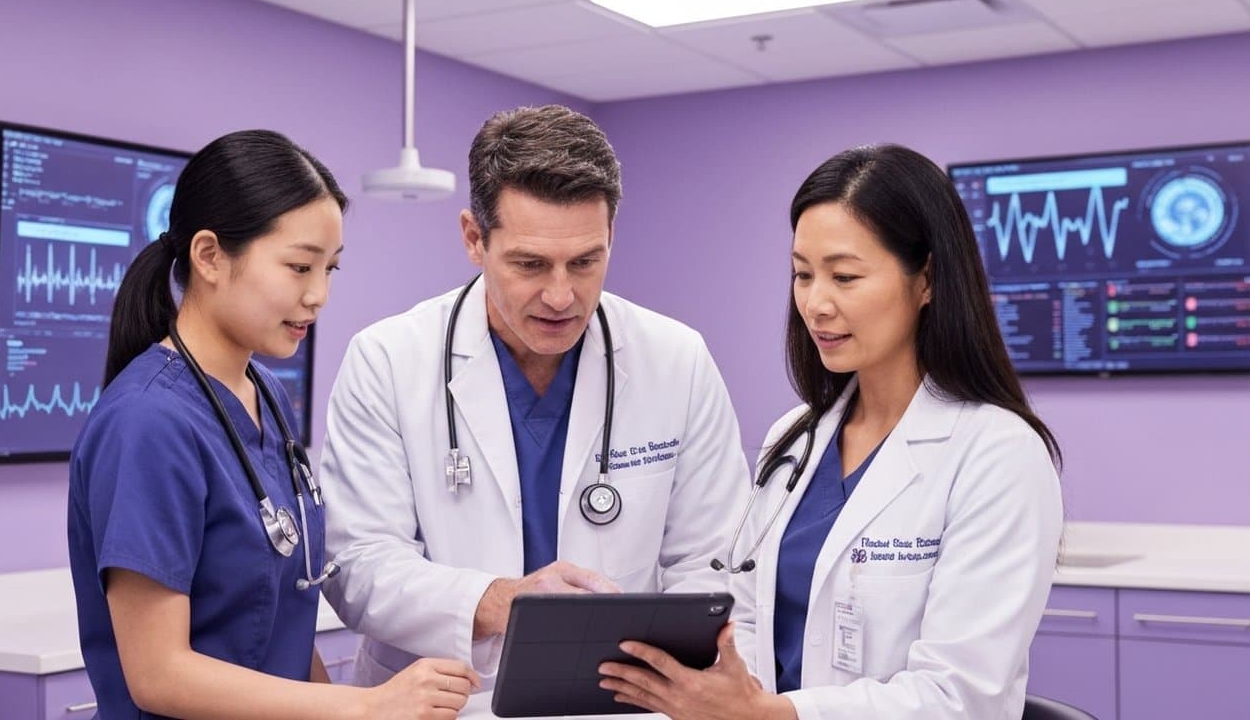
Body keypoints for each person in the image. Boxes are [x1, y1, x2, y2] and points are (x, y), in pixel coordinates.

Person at [598, 143, 1064, 720]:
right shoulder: (793, 439)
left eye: (844, 276)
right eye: (802, 274)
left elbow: (961, 696)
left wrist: (771, 715)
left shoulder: (998, 455)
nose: (815, 303)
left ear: (928, 281)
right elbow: (741, 618)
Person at [318, 104, 750, 688]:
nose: (560, 295)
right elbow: (358, 566)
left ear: (611, 237)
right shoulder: (389, 361)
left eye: (586, 261)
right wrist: (501, 601)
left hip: (617, 698)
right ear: (474, 238)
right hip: (445, 700)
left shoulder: (676, 359)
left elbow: (715, 560)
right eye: (530, 263)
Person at [67, 130, 477, 720]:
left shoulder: (265, 395)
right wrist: (362, 707)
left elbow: (278, 621)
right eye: (298, 267)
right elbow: (158, 675)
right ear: (209, 256)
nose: (319, 296)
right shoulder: (146, 423)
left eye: (330, 269)